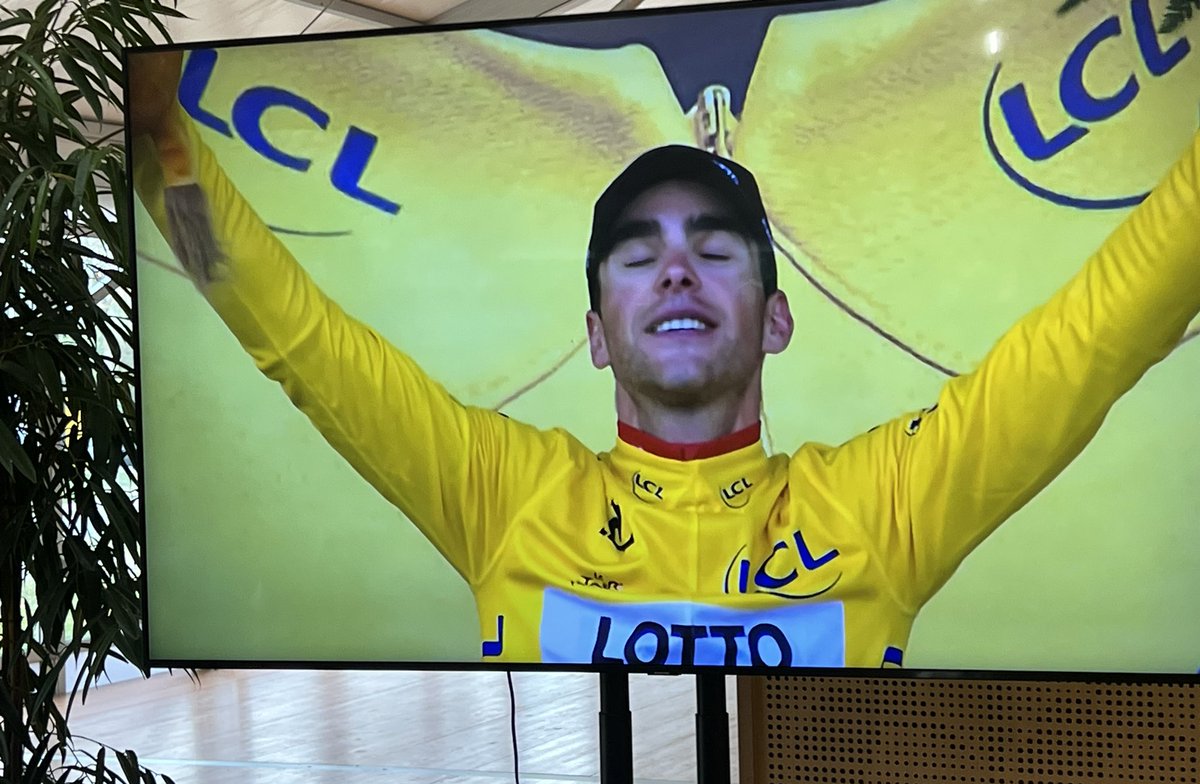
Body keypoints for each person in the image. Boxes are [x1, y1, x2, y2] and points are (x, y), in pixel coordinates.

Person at [128, 50, 1200, 669]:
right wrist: (163, 148)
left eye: (715, 248)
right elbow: (289, 335)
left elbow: (1098, 338)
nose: (677, 269)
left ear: (776, 320)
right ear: (597, 334)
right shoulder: (504, 495)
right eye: (638, 255)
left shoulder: (881, 508)